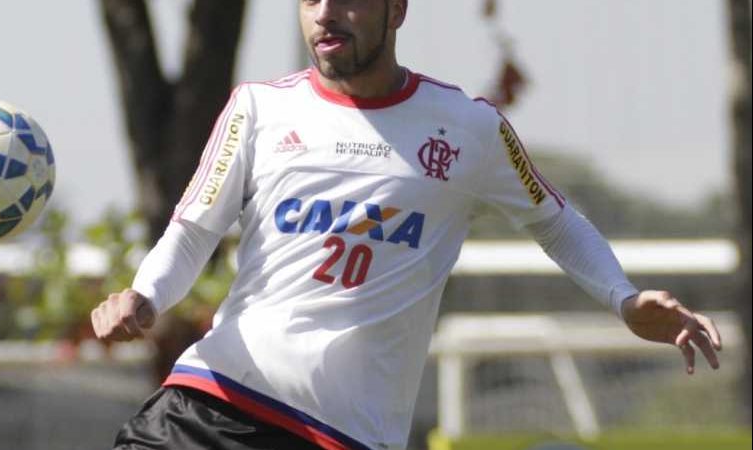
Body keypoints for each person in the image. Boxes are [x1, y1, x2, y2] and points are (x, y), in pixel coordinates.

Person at [91, 1, 723, 449]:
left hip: (343, 435)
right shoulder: (259, 108)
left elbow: (558, 224)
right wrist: (144, 295)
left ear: (398, 9)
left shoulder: (469, 128)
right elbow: (193, 229)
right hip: (211, 403)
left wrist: (625, 298)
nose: (325, 13)